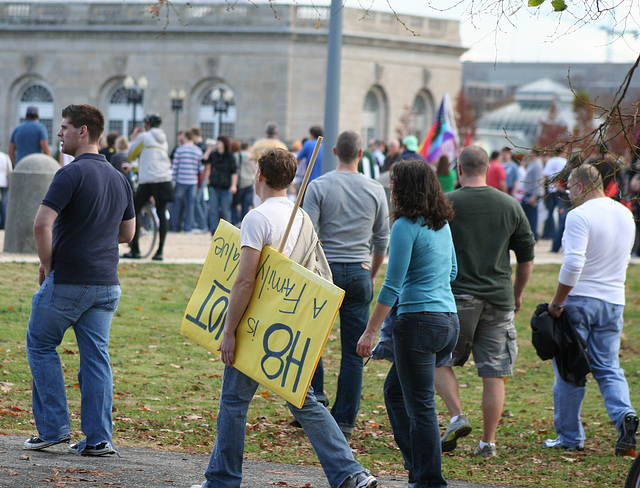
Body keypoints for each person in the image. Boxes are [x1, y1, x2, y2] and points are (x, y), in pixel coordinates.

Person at [190, 147, 377, 488]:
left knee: (233, 402)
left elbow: (245, 279)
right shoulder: (300, 216)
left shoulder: (257, 218)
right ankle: (350, 474)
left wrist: (229, 331)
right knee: (304, 401)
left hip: (255, 325)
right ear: (290, 180)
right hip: (286, 325)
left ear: (259, 175)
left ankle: (222, 480)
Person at [23, 104, 135, 456]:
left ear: (83, 131)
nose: (59, 134)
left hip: (70, 279)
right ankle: (99, 439)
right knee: (96, 357)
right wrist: (96, 235)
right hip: (107, 283)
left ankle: (53, 428)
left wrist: (47, 264)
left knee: (40, 344)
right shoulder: (119, 178)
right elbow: (128, 233)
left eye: (65, 127)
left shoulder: (70, 174)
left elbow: (41, 224)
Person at [357, 159, 458, 488]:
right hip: (447, 322)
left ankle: (428, 480)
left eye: (395, 183)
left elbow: (391, 285)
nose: (390, 187)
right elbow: (453, 272)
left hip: (418, 324)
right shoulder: (441, 224)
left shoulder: (404, 226)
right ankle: (419, 464)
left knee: (421, 407)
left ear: (406, 189)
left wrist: (370, 331)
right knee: (396, 392)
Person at [434, 145, 535, 458]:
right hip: (499, 298)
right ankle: (488, 443)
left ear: (460, 170)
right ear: (488, 168)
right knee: (494, 372)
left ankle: (456, 415)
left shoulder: (446, 203)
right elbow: (526, 258)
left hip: (456, 297)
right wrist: (517, 294)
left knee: (437, 358)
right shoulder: (510, 205)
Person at [544, 163, 638, 455]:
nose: (569, 194)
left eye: (570, 188)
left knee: (571, 370)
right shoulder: (625, 213)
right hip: (613, 300)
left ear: (580, 187)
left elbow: (573, 263)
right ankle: (625, 416)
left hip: (580, 300)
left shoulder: (579, 215)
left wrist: (557, 302)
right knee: (608, 367)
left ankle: (570, 437)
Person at [303, 130, 389, 437]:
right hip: (358, 271)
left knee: (312, 342)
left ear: (336, 151)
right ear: (362, 154)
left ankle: (315, 401)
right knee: (354, 351)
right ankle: (345, 419)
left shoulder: (320, 186)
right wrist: (372, 272)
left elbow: (308, 234)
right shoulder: (376, 189)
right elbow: (382, 240)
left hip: (324, 272)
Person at [123, 113, 174, 261]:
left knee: (133, 209)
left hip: (148, 180)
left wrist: (134, 138)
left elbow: (130, 154)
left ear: (147, 125)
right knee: (162, 212)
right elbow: (152, 161)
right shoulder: (163, 139)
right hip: (164, 179)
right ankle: (160, 251)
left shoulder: (144, 137)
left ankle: (135, 249)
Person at [170, 129, 204, 233]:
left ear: (185, 137)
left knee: (177, 205)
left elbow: (175, 167)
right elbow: (201, 168)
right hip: (192, 181)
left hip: (181, 180)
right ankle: (187, 228)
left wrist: (173, 181)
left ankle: (173, 227)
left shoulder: (180, 150)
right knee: (190, 205)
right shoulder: (198, 151)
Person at [203, 135, 237, 235]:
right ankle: (214, 232)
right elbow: (204, 160)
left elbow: (233, 172)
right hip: (214, 186)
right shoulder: (213, 155)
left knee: (225, 211)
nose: (217, 144)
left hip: (226, 187)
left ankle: (227, 233)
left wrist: (233, 185)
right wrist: (209, 149)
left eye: (219, 142)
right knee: (213, 210)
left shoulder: (230, 157)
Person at [520, 150, 544, 240]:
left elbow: (538, 181)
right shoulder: (532, 163)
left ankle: (533, 235)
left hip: (532, 194)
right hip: (528, 192)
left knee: (532, 216)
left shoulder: (537, 165)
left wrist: (534, 195)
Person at [231, 141, 255, 225]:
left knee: (235, 204)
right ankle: (244, 223)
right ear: (248, 147)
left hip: (240, 183)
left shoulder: (237, 155)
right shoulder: (251, 156)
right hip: (249, 183)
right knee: (246, 205)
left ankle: (236, 221)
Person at [0, 149, 12, 230]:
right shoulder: (5, 156)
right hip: (4, 183)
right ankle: (4, 225)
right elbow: (10, 170)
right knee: (4, 205)